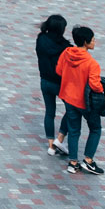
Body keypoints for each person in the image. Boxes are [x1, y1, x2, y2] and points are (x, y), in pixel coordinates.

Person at [55, 25, 105, 174]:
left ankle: (73, 162)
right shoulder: (92, 64)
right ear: (85, 42)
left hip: (68, 97)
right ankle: (88, 161)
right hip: (84, 102)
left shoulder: (66, 53)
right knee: (95, 129)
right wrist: (103, 91)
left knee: (73, 130)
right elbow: (95, 86)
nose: (95, 41)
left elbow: (59, 71)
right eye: (93, 39)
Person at [35, 15, 70, 153]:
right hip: (60, 83)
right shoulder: (64, 47)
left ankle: (51, 145)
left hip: (44, 81)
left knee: (49, 112)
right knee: (72, 110)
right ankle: (60, 139)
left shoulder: (41, 39)